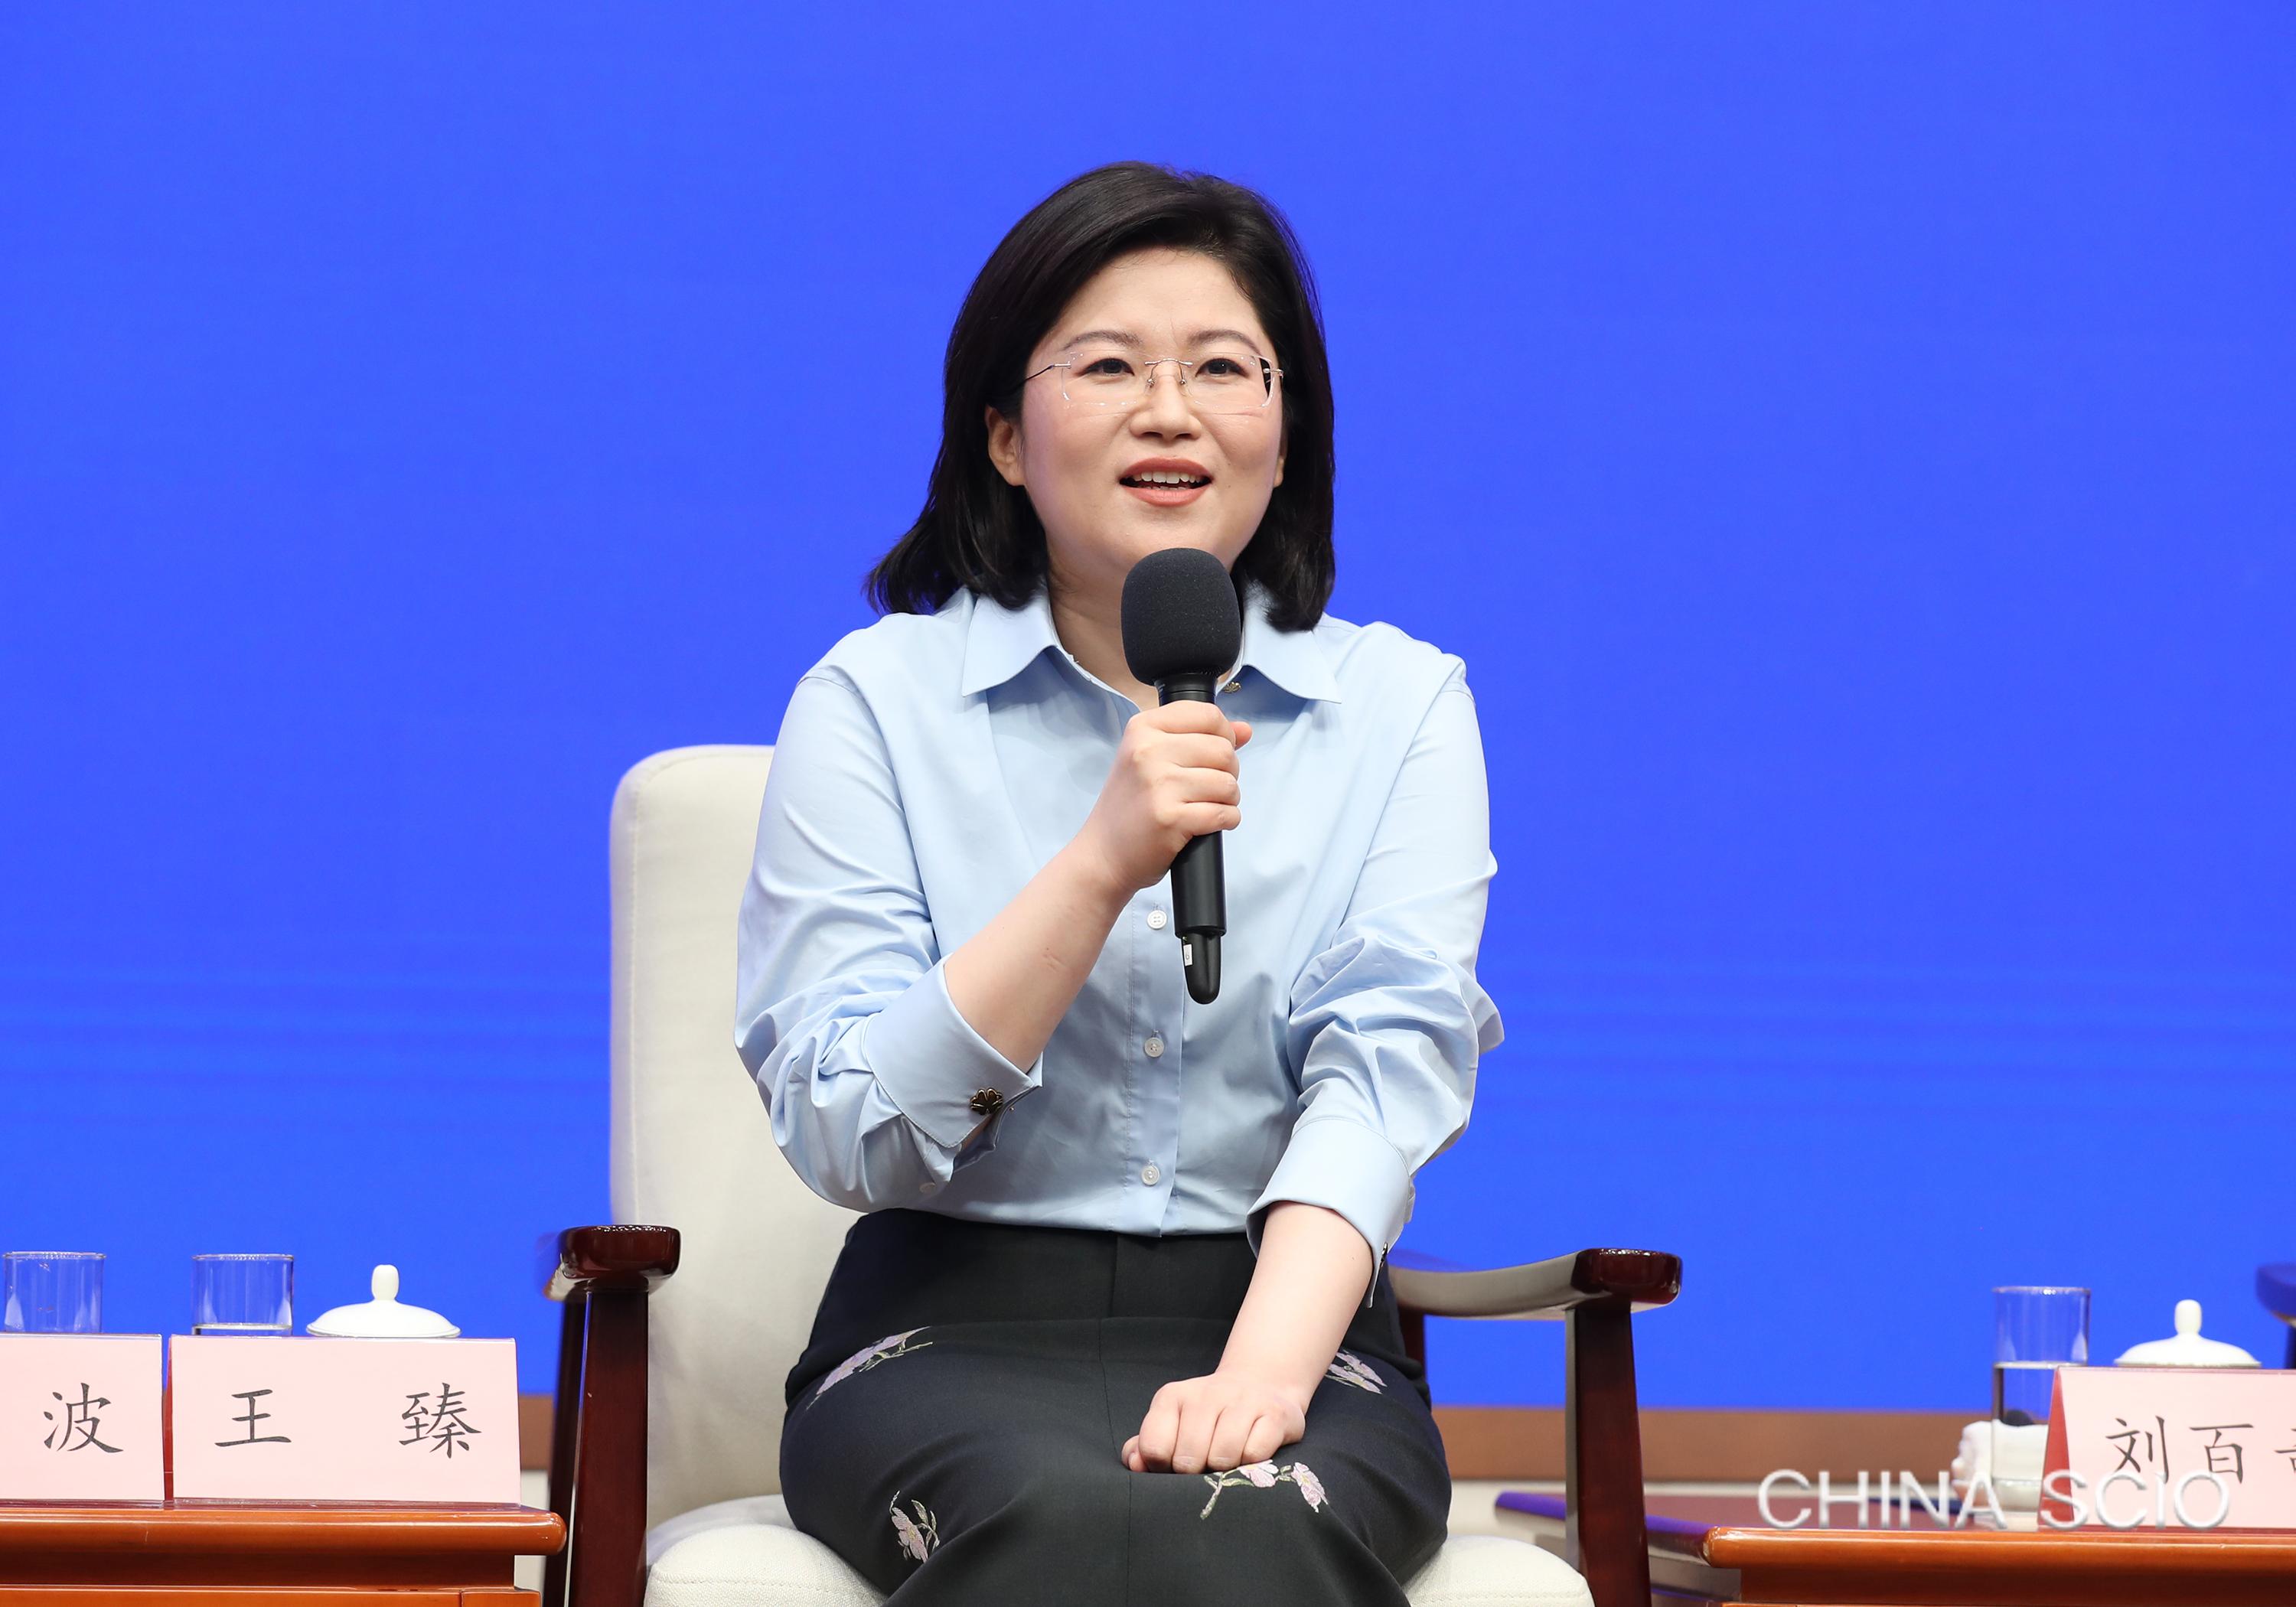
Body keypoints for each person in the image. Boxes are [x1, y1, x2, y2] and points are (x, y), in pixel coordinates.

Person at [735, 161, 1502, 1604]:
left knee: (1247, 1513)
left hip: (1292, 1325)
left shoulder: (1402, 706)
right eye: (1107, 367)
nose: (1170, 410)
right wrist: (1098, 867)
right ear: (1005, 438)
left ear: (1285, 431)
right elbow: (848, 1130)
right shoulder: (874, 701)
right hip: (943, 1332)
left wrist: (1263, 1374)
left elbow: (1388, 1065)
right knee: (1060, 1515)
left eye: (1222, 368)